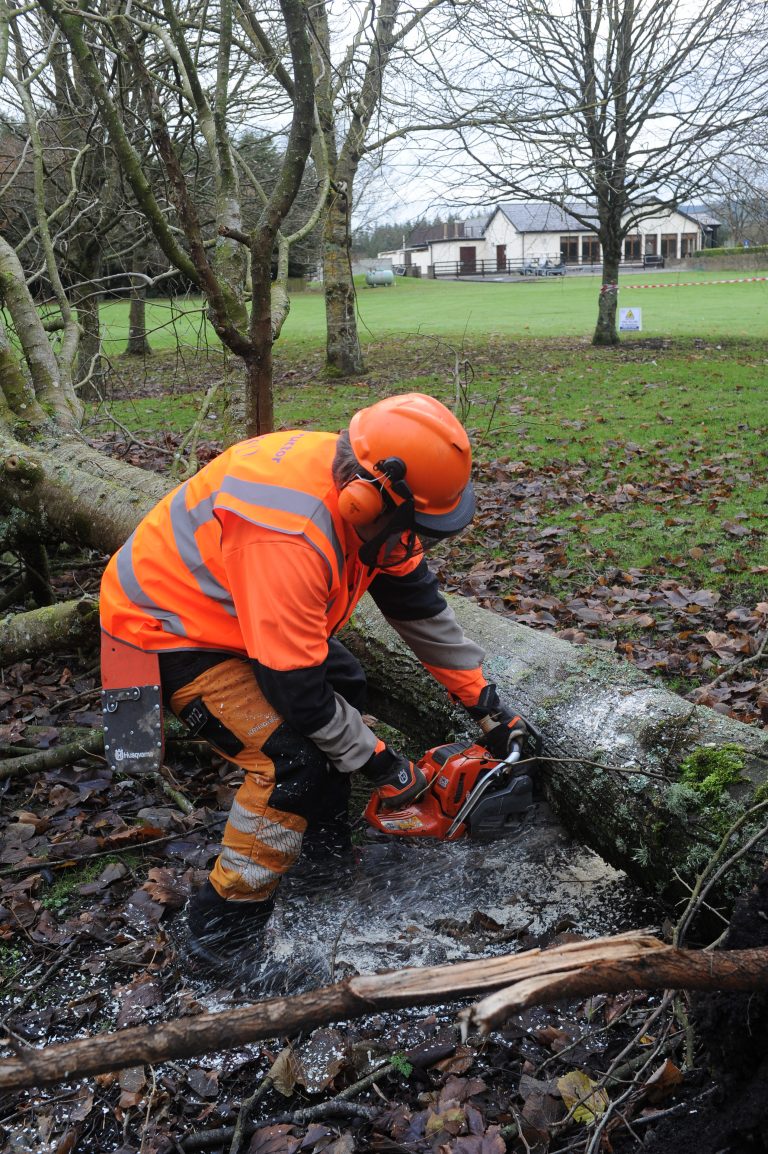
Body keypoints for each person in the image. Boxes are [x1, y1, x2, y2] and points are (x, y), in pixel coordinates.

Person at [99, 393, 528, 969]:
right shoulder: (289, 531)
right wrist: (383, 766)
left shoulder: (374, 496)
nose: (415, 542)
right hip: (165, 626)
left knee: (345, 683)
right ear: (363, 499)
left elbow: (417, 607)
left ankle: (319, 861)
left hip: (239, 610)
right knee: (288, 761)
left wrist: (487, 705)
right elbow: (297, 688)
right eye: (414, 527)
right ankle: (221, 932)